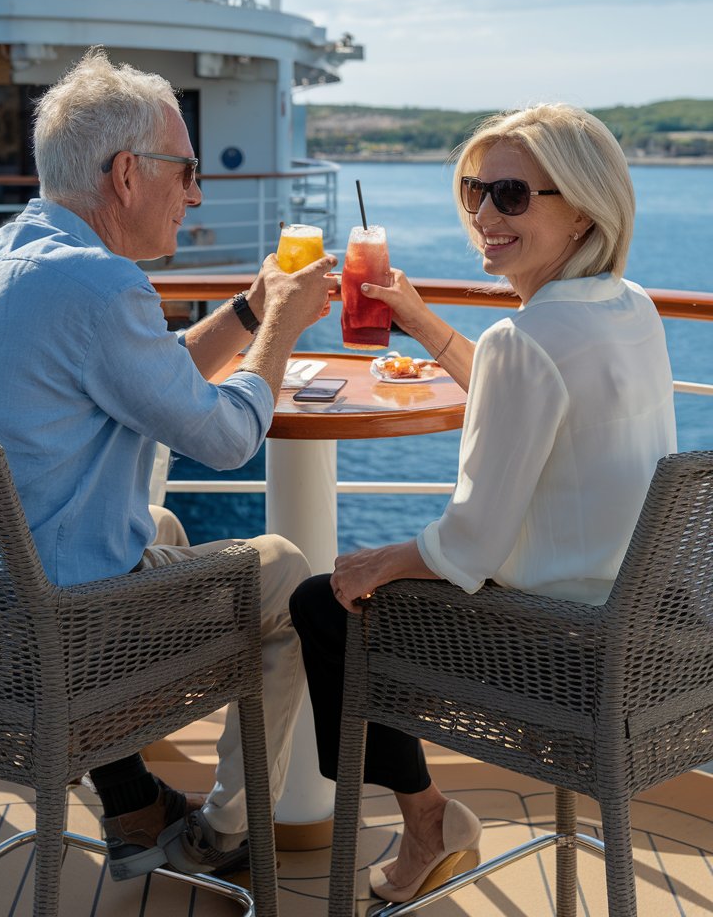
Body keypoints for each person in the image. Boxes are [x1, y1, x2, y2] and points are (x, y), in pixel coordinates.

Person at [290, 102, 676, 905]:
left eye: (511, 195)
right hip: (642, 627)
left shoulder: (525, 340)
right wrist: (426, 323)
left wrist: (376, 563)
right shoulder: (629, 305)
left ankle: (428, 822)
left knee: (323, 602)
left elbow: (469, 545)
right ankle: (429, 822)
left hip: (561, 651)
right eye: (473, 190)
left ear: (580, 212)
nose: (481, 216)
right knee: (360, 585)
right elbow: (529, 393)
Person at [0, 48, 337, 882]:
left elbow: (155, 372)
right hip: (52, 647)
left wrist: (247, 311)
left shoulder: (3, 260)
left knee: (160, 524)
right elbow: (228, 438)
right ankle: (225, 835)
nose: (198, 194)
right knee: (286, 574)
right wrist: (281, 331)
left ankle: (134, 804)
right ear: (129, 173)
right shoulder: (104, 287)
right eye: (187, 173)